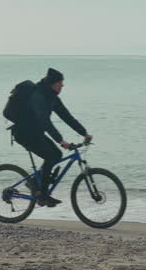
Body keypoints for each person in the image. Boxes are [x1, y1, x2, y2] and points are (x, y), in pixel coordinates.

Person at [11, 68, 93, 207]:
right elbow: (45, 121)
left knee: (56, 154)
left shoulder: (52, 97)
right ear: (53, 83)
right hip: (24, 133)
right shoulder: (38, 96)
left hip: (35, 132)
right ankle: (42, 195)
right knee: (51, 156)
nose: (62, 86)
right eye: (61, 83)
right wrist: (60, 140)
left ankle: (34, 185)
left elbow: (66, 116)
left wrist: (84, 133)